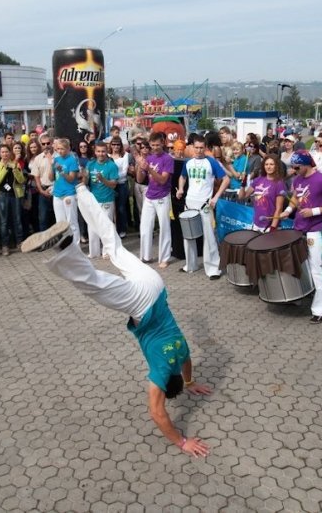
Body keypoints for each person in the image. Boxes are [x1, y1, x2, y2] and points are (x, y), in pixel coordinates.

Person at [20, 188, 213, 457]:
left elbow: (187, 360)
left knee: (114, 246)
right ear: (167, 382)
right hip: (141, 303)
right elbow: (157, 413)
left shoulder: (180, 349)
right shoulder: (160, 370)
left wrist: (190, 382)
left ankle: (82, 192)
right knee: (94, 284)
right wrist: (182, 441)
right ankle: (64, 245)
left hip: (155, 284)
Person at [281, 151, 322, 323]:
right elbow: (296, 198)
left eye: (297, 166)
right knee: (299, 265)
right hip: (298, 227)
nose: (294, 169)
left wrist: (315, 211)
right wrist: (288, 211)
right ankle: (298, 295)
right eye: (292, 166)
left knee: (317, 269)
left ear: (307, 164)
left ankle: (320, 309)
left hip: (315, 229)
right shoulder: (298, 179)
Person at [176, 137, 229, 278]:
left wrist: (216, 197)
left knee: (209, 236)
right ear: (192, 147)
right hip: (189, 202)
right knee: (188, 235)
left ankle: (213, 269)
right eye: (196, 147)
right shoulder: (188, 162)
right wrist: (180, 189)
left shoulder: (211, 162)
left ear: (205, 148)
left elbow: (226, 179)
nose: (199, 150)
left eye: (201, 148)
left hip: (205, 203)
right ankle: (190, 265)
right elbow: (182, 177)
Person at [137, 132, 174, 268]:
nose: (155, 147)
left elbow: (163, 180)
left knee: (164, 227)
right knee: (145, 227)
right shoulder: (150, 158)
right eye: (152, 145)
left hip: (162, 196)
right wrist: (140, 168)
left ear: (163, 143)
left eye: (157, 145)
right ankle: (146, 256)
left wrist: (149, 170)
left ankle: (165, 257)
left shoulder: (167, 159)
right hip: (149, 196)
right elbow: (140, 180)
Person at [85, 142, 118, 259]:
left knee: (106, 226)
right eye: (98, 151)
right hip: (93, 200)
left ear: (107, 151)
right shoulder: (90, 164)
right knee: (92, 226)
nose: (101, 154)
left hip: (106, 199)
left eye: (103, 151)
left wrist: (103, 179)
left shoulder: (111, 166)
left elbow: (114, 184)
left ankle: (107, 251)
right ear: (95, 152)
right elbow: (85, 182)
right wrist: (84, 176)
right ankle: (94, 252)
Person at [0, 144, 26, 255]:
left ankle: (19, 242)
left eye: (7, 152)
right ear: (0, 154)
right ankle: (5, 245)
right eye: (3, 152)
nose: (5, 154)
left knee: (17, 220)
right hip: (2, 196)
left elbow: (21, 180)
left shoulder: (15, 164)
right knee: (3, 221)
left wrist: (14, 168)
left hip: (14, 195)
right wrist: (5, 168)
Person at [237, 156, 287, 231]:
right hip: (256, 223)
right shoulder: (258, 180)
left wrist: (272, 228)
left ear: (276, 166)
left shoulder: (279, 184)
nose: (268, 167)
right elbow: (242, 196)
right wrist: (243, 184)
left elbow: (279, 209)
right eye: (266, 164)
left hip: (269, 225)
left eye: (271, 164)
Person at [50, 138, 81, 243]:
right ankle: (64, 245)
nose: (60, 151)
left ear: (68, 149)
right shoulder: (56, 160)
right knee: (60, 223)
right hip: (57, 193)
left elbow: (72, 178)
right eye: (58, 149)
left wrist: (62, 172)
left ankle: (76, 246)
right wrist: (51, 166)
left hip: (69, 193)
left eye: (62, 149)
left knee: (71, 221)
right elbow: (51, 178)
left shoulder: (72, 160)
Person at [28, 134, 56, 233]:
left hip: (56, 189)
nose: (46, 145)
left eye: (48, 143)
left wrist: (50, 158)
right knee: (43, 217)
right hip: (43, 190)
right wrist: (41, 190)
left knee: (56, 217)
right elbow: (36, 176)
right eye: (43, 144)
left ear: (52, 143)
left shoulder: (57, 156)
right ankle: (45, 241)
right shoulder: (38, 158)